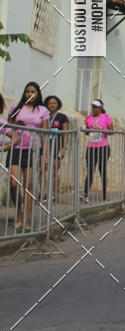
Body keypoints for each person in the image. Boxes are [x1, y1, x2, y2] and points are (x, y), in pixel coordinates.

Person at [7, 82, 49, 229]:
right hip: (17, 148)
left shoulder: (42, 110)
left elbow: (44, 134)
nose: (29, 94)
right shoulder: (16, 108)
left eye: (33, 91)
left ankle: (25, 219)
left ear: (37, 94)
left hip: (33, 149)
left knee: (29, 185)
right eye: (27, 91)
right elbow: (9, 126)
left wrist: (45, 155)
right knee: (13, 184)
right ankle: (19, 211)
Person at [82, 99, 113, 203]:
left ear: (100, 108)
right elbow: (86, 132)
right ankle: (85, 194)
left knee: (102, 170)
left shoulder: (106, 117)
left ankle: (104, 196)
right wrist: (86, 130)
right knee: (90, 170)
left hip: (103, 146)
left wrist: (103, 130)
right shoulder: (89, 118)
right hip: (91, 147)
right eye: (93, 107)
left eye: (96, 107)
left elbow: (111, 130)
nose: (94, 109)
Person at [43, 95, 69, 201]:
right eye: (50, 103)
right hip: (46, 146)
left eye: (54, 103)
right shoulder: (45, 117)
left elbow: (65, 133)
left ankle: (54, 194)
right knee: (43, 170)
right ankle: (44, 193)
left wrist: (64, 147)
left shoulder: (62, 117)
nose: (52, 105)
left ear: (58, 104)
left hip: (57, 146)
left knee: (53, 170)